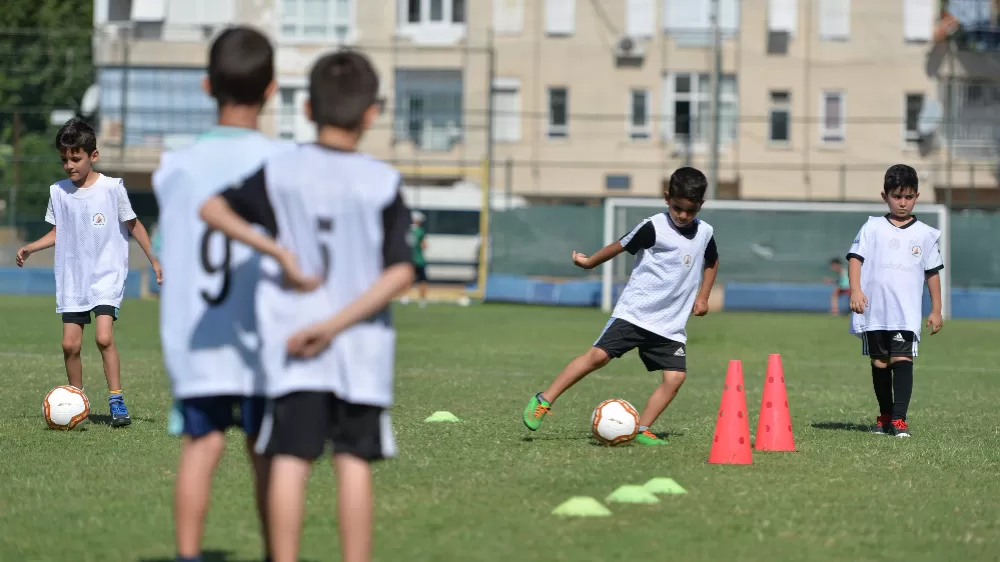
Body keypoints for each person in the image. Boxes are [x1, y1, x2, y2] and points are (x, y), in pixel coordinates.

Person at [198, 50, 414, 562]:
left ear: (309, 109)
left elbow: (211, 208)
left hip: (295, 342)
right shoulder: (381, 181)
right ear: (371, 114)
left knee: (290, 461)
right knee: (354, 462)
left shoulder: (281, 170)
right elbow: (401, 271)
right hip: (359, 348)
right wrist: (337, 324)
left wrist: (278, 253)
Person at [152, 26, 295, 562]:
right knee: (267, 454)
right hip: (263, 335)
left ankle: (187, 555)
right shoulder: (284, 162)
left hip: (200, 332)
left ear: (206, 86)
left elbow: (173, 239)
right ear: (273, 89)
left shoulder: (174, 168)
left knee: (201, 445)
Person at [521, 167, 719, 446]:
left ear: (701, 205)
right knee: (597, 358)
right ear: (666, 198)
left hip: (669, 324)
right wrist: (589, 262)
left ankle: (642, 428)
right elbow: (620, 245)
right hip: (635, 313)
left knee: (675, 378)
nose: (683, 216)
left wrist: (703, 296)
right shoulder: (653, 227)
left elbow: (712, 261)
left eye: (690, 210)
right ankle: (544, 399)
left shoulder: (706, 233)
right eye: (677, 208)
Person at [16, 118, 161, 427]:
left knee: (104, 337)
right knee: (70, 344)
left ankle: (116, 399)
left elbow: (134, 225)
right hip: (73, 277)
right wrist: (31, 247)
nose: (69, 165)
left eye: (76, 158)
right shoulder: (58, 192)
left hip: (106, 274)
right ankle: (76, 398)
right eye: (64, 159)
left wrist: (154, 259)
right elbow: (58, 232)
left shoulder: (112, 188)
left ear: (93, 156)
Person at [847, 164, 943, 438]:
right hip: (874, 310)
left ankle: (899, 420)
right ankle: (885, 415)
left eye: (908, 196)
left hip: (905, 312)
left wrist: (936, 309)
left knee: (902, 360)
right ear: (884, 196)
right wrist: (855, 290)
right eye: (897, 196)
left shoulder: (925, 234)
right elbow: (856, 259)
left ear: (917, 196)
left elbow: (932, 273)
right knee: (879, 362)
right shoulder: (872, 227)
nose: (903, 202)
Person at [402, 210, 428, 307]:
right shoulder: (420, 231)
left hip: (408, 259)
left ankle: (404, 297)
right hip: (419, 259)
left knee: (407, 280)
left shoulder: (407, 230)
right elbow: (424, 245)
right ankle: (422, 300)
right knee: (422, 280)